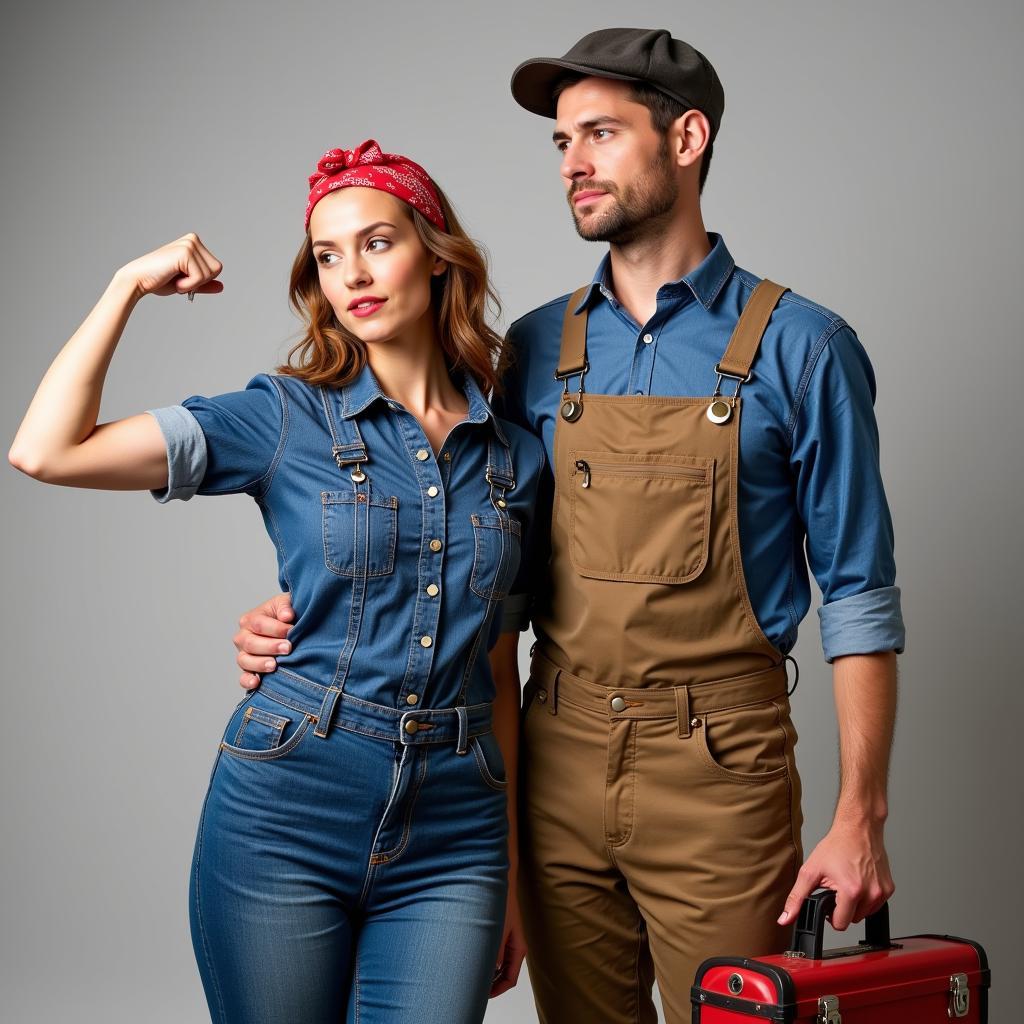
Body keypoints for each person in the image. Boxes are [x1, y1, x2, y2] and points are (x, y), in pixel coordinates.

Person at [229, 27, 905, 1024]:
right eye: (559, 143)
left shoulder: (805, 349)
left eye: (599, 133)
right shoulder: (533, 350)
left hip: (721, 773)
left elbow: (858, 594)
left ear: (686, 139)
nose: (572, 164)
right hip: (553, 764)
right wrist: (303, 627)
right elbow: (457, 559)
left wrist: (860, 813)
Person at [8, 138, 544, 1024]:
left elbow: (498, 675)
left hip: (457, 833)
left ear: (435, 251)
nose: (352, 275)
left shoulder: (517, 458)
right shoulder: (283, 415)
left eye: (377, 242)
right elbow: (45, 450)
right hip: (289, 806)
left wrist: (513, 875)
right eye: (329, 256)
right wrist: (127, 286)